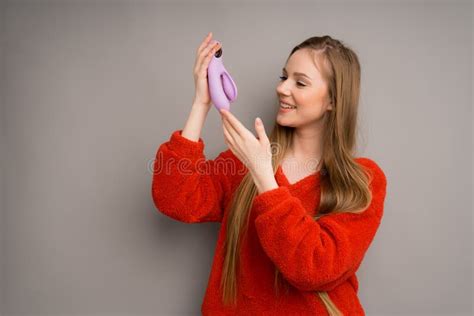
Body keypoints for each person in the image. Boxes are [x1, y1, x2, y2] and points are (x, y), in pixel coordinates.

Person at [151, 32, 387, 316]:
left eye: (299, 82)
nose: (282, 88)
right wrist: (201, 104)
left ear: (333, 102)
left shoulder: (363, 181)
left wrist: (264, 176)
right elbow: (175, 198)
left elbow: (315, 267)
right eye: (283, 77)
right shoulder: (243, 161)